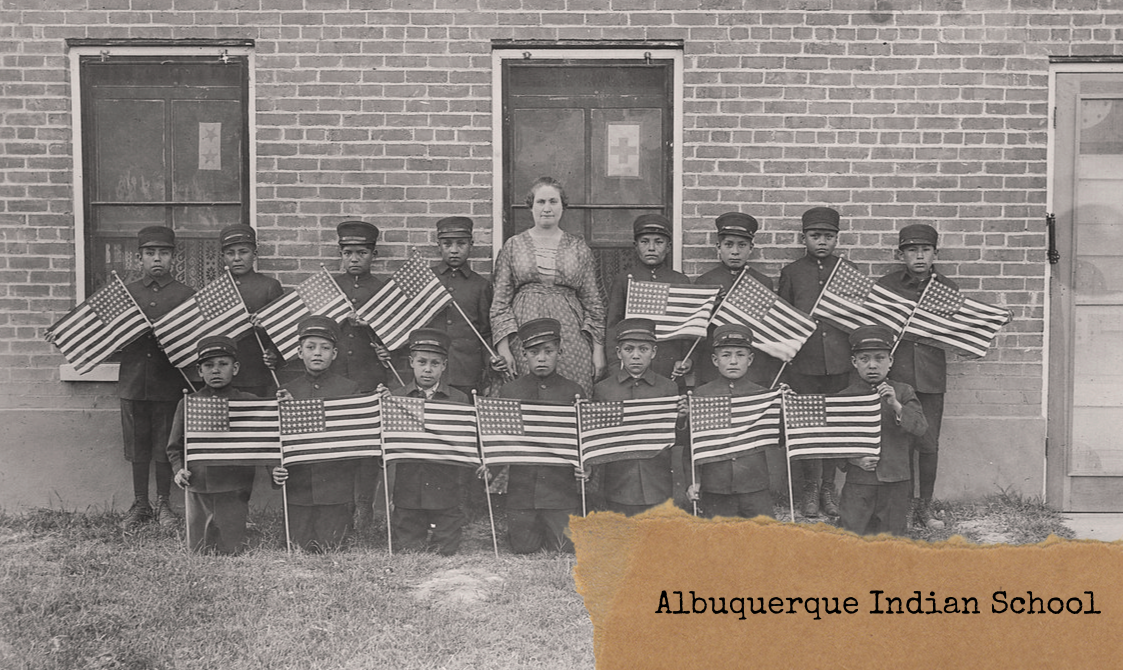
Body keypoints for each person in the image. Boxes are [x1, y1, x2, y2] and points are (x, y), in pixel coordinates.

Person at [491, 176, 606, 396]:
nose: (547, 208)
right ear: (531, 207)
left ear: (563, 207)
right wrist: (503, 348)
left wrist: (598, 350)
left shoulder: (579, 248)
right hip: (524, 331)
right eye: (540, 202)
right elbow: (500, 302)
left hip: (570, 334)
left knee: (571, 392)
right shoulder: (514, 245)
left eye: (553, 202)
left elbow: (593, 302)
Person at [118, 225, 196, 529]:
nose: (157, 259)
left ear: (173, 257)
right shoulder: (127, 293)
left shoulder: (185, 295)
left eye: (163, 253)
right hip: (134, 381)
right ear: (139, 258)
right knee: (137, 446)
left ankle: (164, 503)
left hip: (169, 382)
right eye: (150, 253)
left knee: (166, 444)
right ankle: (141, 503)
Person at [777, 206, 851, 518]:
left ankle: (827, 489)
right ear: (803, 237)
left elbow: (855, 317)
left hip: (838, 363)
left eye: (828, 236)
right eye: (815, 235)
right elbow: (782, 320)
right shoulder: (792, 273)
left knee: (833, 426)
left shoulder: (847, 271)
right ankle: (810, 486)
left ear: (837, 239)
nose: (822, 241)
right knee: (808, 426)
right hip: (804, 364)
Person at [489, 318, 585, 553]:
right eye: (534, 352)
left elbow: (582, 438)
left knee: (565, 547)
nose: (541, 358)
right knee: (522, 548)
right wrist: (489, 469)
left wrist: (586, 467)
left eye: (548, 351)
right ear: (524, 354)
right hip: (523, 492)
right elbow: (503, 438)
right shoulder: (511, 391)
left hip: (559, 492)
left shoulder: (573, 392)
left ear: (559, 352)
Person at [876, 223, 950, 530]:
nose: (918, 256)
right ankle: (901, 507)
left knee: (928, 443)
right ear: (900, 254)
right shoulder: (888, 285)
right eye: (911, 250)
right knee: (900, 444)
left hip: (931, 376)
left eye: (925, 250)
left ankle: (925, 507)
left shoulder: (946, 288)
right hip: (901, 377)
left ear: (935, 253)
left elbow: (951, 332)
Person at [270, 315, 360, 552]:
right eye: (310, 347)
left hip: (334, 486)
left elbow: (352, 436)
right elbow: (275, 438)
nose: (317, 353)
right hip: (299, 486)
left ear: (335, 354)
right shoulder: (287, 391)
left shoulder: (348, 389)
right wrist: (274, 468)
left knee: (332, 545)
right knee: (298, 545)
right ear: (300, 353)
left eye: (325, 348)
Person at [379, 328, 471, 555]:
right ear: (411, 362)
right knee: (408, 550)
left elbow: (465, 443)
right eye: (422, 362)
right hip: (408, 491)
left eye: (435, 363)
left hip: (445, 490)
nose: (428, 369)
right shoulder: (397, 397)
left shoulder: (459, 399)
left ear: (444, 366)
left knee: (446, 551)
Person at [331, 220, 393, 532]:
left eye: (361, 252)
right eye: (348, 252)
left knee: (368, 444)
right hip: (337, 376)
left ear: (373, 254)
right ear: (340, 254)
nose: (354, 258)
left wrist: (370, 326)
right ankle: (341, 505)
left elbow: (395, 335)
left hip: (370, 375)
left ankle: (364, 504)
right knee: (340, 441)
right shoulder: (332, 288)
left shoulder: (382, 290)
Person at [168, 336, 257, 554]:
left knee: (232, 548)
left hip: (233, 486)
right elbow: (174, 447)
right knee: (198, 549)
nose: (215, 371)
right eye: (208, 365)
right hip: (199, 484)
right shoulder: (188, 403)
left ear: (235, 368)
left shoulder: (249, 402)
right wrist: (179, 470)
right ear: (199, 371)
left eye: (223, 364)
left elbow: (263, 440)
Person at [838, 325, 928, 537]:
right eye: (864, 359)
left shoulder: (903, 391)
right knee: (851, 536)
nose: (872, 365)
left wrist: (896, 405)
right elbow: (834, 439)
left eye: (879, 358)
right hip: (859, 482)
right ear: (854, 363)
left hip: (895, 480)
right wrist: (852, 460)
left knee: (892, 538)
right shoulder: (845, 396)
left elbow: (921, 428)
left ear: (891, 362)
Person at [589, 318, 685, 516]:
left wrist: (682, 417)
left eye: (643, 349)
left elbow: (675, 438)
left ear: (654, 353)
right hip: (618, 484)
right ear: (618, 353)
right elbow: (597, 439)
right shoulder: (604, 390)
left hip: (657, 482)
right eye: (629, 349)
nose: (635, 356)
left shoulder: (668, 387)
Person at [685, 324, 776, 520]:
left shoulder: (762, 395)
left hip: (754, 486)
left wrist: (785, 408)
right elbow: (692, 446)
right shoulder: (701, 395)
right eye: (726, 355)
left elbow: (779, 438)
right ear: (715, 360)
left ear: (750, 359)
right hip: (715, 486)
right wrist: (694, 480)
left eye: (740, 354)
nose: (733, 361)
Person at [693, 212, 781, 387]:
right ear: (719, 247)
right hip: (714, 367)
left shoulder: (763, 282)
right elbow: (697, 329)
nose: (735, 251)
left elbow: (767, 328)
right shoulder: (705, 281)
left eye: (742, 245)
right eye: (728, 245)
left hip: (753, 368)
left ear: (751, 248)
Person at [604, 213, 692, 380]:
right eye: (645, 242)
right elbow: (613, 325)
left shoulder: (679, 280)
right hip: (632, 363)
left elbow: (687, 328)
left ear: (668, 247)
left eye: (659, 242)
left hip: (668, 362)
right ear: (635, 246)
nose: (651, 248)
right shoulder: (625, 279)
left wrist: (687, 359)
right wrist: (615, 365)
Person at [219, 224, 283, 398]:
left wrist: (272, 353)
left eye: (243, 252)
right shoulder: (216, 290)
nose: (237, 258)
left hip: (256, 371)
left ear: (254, 255)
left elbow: (281, 329)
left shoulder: (269, 286)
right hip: (222, 375)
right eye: (230, 253)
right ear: (223, 257)